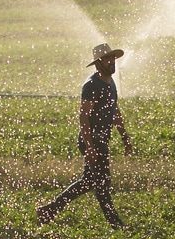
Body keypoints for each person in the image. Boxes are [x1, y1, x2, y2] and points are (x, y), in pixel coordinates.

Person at [36, 43, 131, 227]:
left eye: (113, 59)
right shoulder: (91, 85)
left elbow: (114, 110)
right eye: (108, 59)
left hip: (102, 140)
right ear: (98, 63)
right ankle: (116, 224)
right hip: (93, 140)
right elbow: (84, 117)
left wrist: (124, 136)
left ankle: (48, 210)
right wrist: (89, 147)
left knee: (88, 182)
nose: (112, 62)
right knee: (102, 185)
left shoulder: (111, 82)